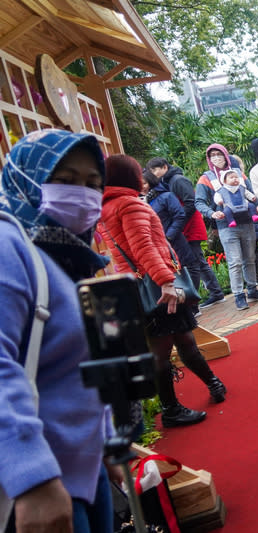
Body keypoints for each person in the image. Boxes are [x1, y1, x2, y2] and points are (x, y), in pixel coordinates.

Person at [0, 129, 116, 533]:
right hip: (37, 486)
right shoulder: (8, 245)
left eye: (92, 185)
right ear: (27, 177)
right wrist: (32, 478)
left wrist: (107, 442)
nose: (82, 195)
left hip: (82, 469)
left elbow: (77, 367)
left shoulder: (65, 257)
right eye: (64, 181)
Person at [99, 155, 227, 429]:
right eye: (138, 173)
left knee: (181, 339)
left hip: (139, 286)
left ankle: (213, 384)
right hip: (158, 287)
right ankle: (172, 409)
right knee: (168, 347)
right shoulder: (128, 205)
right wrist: (167, 281)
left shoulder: (107, 206)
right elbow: (144, 248)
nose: (143, 178)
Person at [146, 157, 225, 310]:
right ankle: (215, 292)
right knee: (198, 261)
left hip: (190, 226)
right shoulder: (167, 181)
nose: (154, 174)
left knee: (196, 261)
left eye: (155, 170)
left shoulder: (177, 180)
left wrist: (178, 222)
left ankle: (211, 294)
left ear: (164, 167)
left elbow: (191, 202)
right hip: (183, 227)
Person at [195, 144, 258, 311]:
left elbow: (252, 193)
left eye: (219, 154)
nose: (216, 158)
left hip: (246, 222)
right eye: (212, 155)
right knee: (234, 261)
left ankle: (253, 289)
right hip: (226, 225)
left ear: (226, 155)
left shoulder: (238, 174)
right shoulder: (206, 178)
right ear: (208, 159)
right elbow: (199, 201)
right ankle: (239, 295)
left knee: (250, 258)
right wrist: (212, 213)